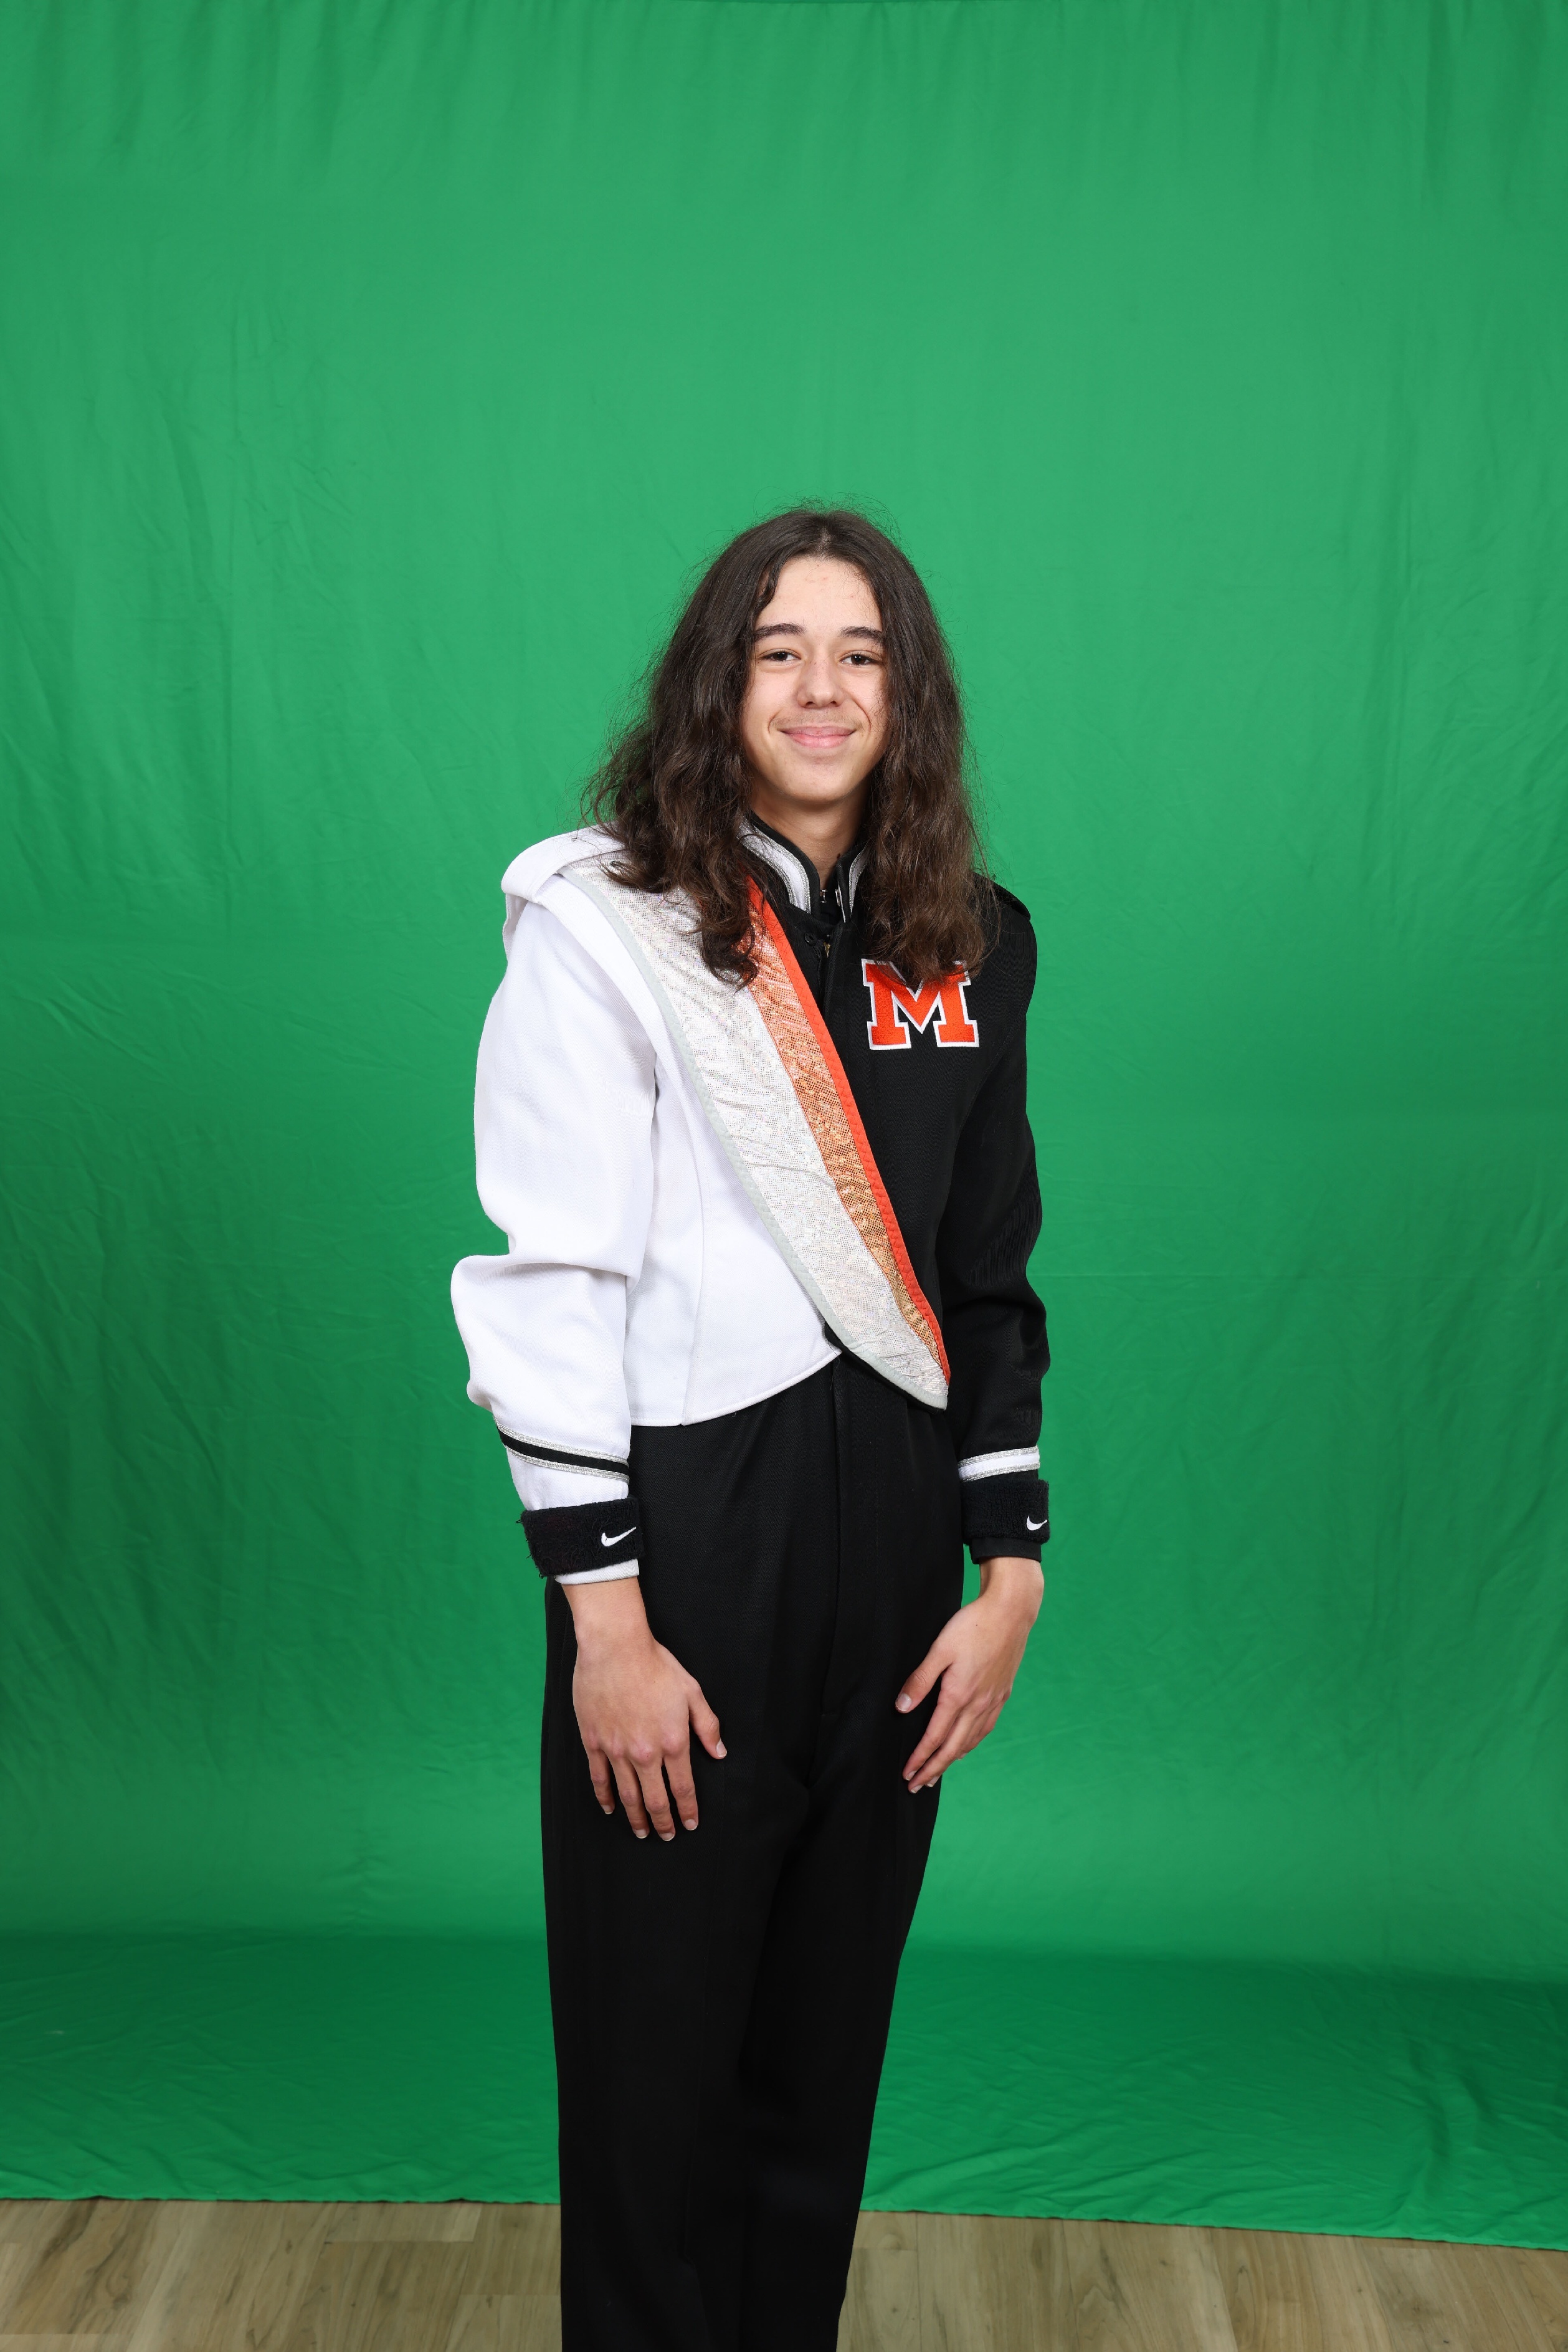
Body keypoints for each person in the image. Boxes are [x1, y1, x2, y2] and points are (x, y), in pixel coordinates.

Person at [451, 507, 1049, 2352]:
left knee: (822, 2057)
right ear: (719, 685)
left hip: (898, 1554)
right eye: (779, 651)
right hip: (689, 1545)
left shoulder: (977, 940)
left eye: (861, 654)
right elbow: (551, 1285)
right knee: (658, 2071)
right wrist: (605, 1629)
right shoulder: (608, 926)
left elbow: (988, 1275)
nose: (821, 688)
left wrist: (1011, 1573)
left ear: (908, 694)